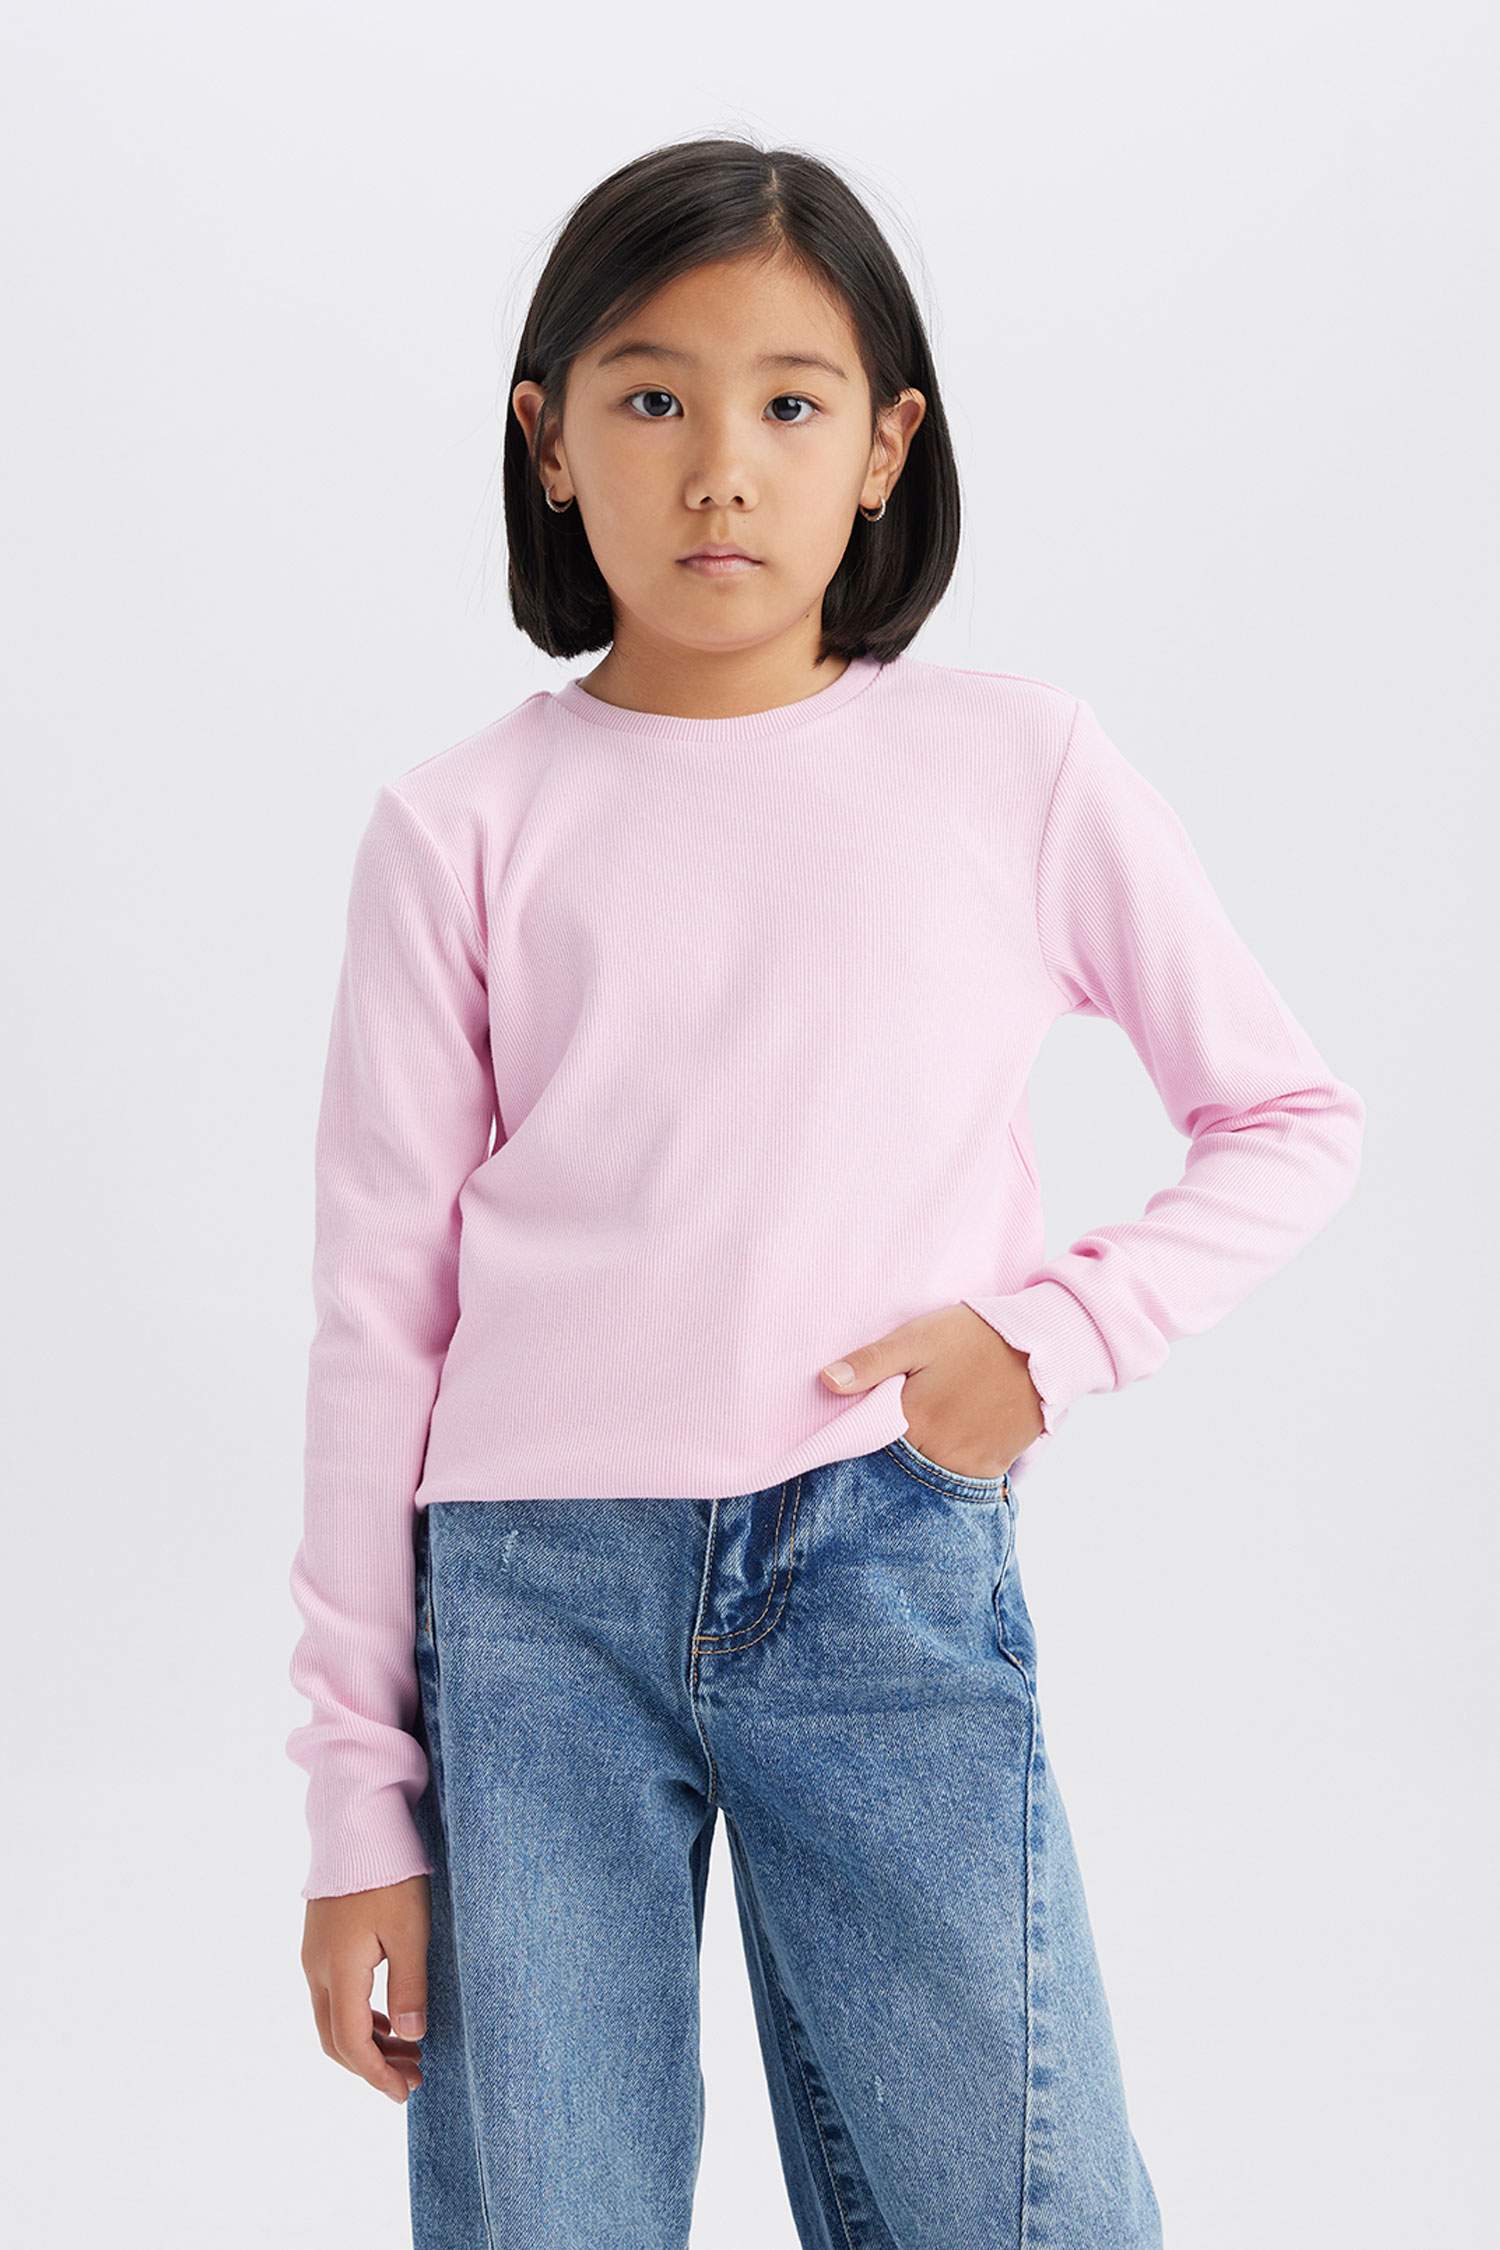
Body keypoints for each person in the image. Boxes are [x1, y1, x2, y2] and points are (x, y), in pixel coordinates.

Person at [286, 135, 1364, 2249]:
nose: (720, 469)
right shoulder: (460, 827)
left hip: (879, 1553)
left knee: (1024, 2206)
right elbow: (374, 1319)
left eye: (789, 402)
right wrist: (355, 1809)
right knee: (547, 2213)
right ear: (548, 441)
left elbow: (1287, 1115)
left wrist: (1052, 1338)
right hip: (527, 1600)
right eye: (651, 397)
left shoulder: (1014, 769)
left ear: (885, 448)